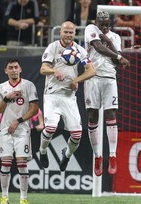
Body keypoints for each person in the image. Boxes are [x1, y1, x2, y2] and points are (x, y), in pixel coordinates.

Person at [0, 58, 39, 204]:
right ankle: (4, 197)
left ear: (21, 69)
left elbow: (34, 109)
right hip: (5, 131)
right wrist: (7, 98)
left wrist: (18, 121)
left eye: (16, 67)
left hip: (22, 130)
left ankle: (23, 198)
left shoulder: (28, 85)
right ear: (5, 71)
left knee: (21, 164)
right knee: (5, 164)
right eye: (10, 68)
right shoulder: (1, 87)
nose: (13, 70)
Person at [38, 21, 95, 172]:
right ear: (61, 32)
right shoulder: (53, 47)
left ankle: (67, 155)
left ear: (75, 33)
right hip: (52, 95)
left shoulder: (80, 50)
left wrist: (77, 80)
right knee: (50, 128)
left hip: (69, 97)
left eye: (71, 32)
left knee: (77, 134)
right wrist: (54, 71)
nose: (68, 35)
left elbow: (91, 71)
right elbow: (43, 69)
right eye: (66, 32)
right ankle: (43, 151)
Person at [84, 11, 130, 176]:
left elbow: (117, 61)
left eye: (106, 23)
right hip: (92, 77)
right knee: (92, 116)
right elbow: (98, 47)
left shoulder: (116, 37)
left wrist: (110, 41)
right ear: (96, 21)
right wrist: (118, 55)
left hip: (110, 78)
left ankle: (112, 155)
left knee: (111, 114)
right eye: (101, 22)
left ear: (110, 23)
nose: (103, 25)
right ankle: (98, 156)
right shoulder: (90, 29)